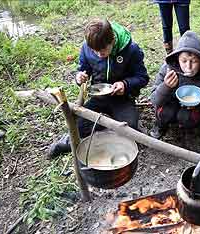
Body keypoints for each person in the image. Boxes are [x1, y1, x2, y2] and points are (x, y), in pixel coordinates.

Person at [48, 19, 149, 159]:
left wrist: (125, 84)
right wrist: (80, 77)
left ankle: (110, 130)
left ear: (112, 40)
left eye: (103, 50)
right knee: (76, 124)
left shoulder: (131, 50)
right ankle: (67, 142)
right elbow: (83, 69)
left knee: (130, 128)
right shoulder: (87, 47)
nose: (98, 54)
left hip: (122, 98)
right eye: (94, 51)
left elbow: (142, 77)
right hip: (98, 96)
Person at [149, 31, 200, 143]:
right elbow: (155, 100)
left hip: (193, 109)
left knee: (186, 117)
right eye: (184, 61)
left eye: (194, 61)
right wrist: (166, 86)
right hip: (170, 104)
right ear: (177, 59)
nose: (188, 67)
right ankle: (160, 125)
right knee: (165, 113)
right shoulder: (168, 70)